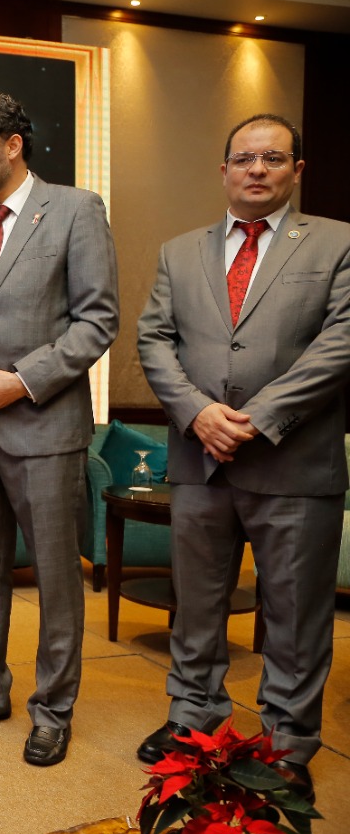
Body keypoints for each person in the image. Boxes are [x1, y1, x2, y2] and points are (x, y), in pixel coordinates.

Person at [136, 114, 350, 799]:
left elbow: (341, 343)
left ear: (297, 170)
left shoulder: (338, 243)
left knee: (295, 615)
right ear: (223, 169)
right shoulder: (179, 252)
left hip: (295, 463)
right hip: (199, 460)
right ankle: (192, 718)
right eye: (244, 158)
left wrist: (257, 418)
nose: (257, 169)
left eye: (273, 158)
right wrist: (198, 412)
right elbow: (153, 340)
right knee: (196, 605)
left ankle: (287, 744)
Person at [0, 92, 119, 766]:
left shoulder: (75, 210)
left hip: (44, 428)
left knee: (57, 581)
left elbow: (97, 320)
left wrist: (21, 381)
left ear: (13, 145)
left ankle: (53, 709)